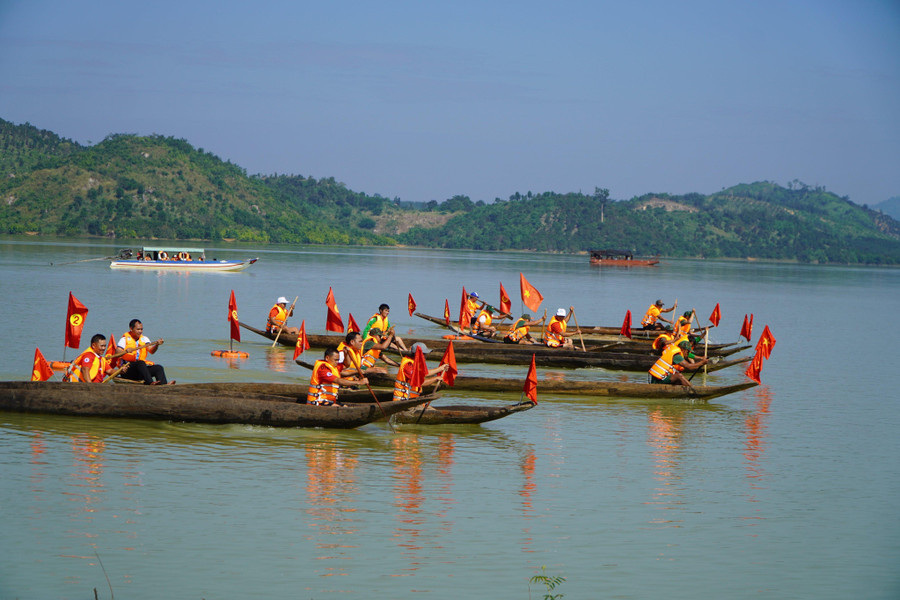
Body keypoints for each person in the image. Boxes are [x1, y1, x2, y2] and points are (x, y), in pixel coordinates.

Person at [117, 319, 171, 385]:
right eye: (138, 329)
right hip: (127, 370)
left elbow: (151, 351)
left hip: (141, 370)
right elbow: (117, 352)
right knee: (140, 363)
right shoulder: (124, 339)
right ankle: (150, 383)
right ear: (131, 329)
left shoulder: (145, 339)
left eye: (141, 329)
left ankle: (163, 385)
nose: (140, 331)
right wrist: (126, 351)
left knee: (158, 368)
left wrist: (157, 345)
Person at [64, 334, 129, 383]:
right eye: (101, 346)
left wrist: (120, 370)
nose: (104, 348)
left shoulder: (102, 359)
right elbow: (85, 370)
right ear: (93, 345)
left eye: (105, 346)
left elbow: (110, 371)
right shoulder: (89, 355)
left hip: (97, 386)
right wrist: (90, 386)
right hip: (82, 386)